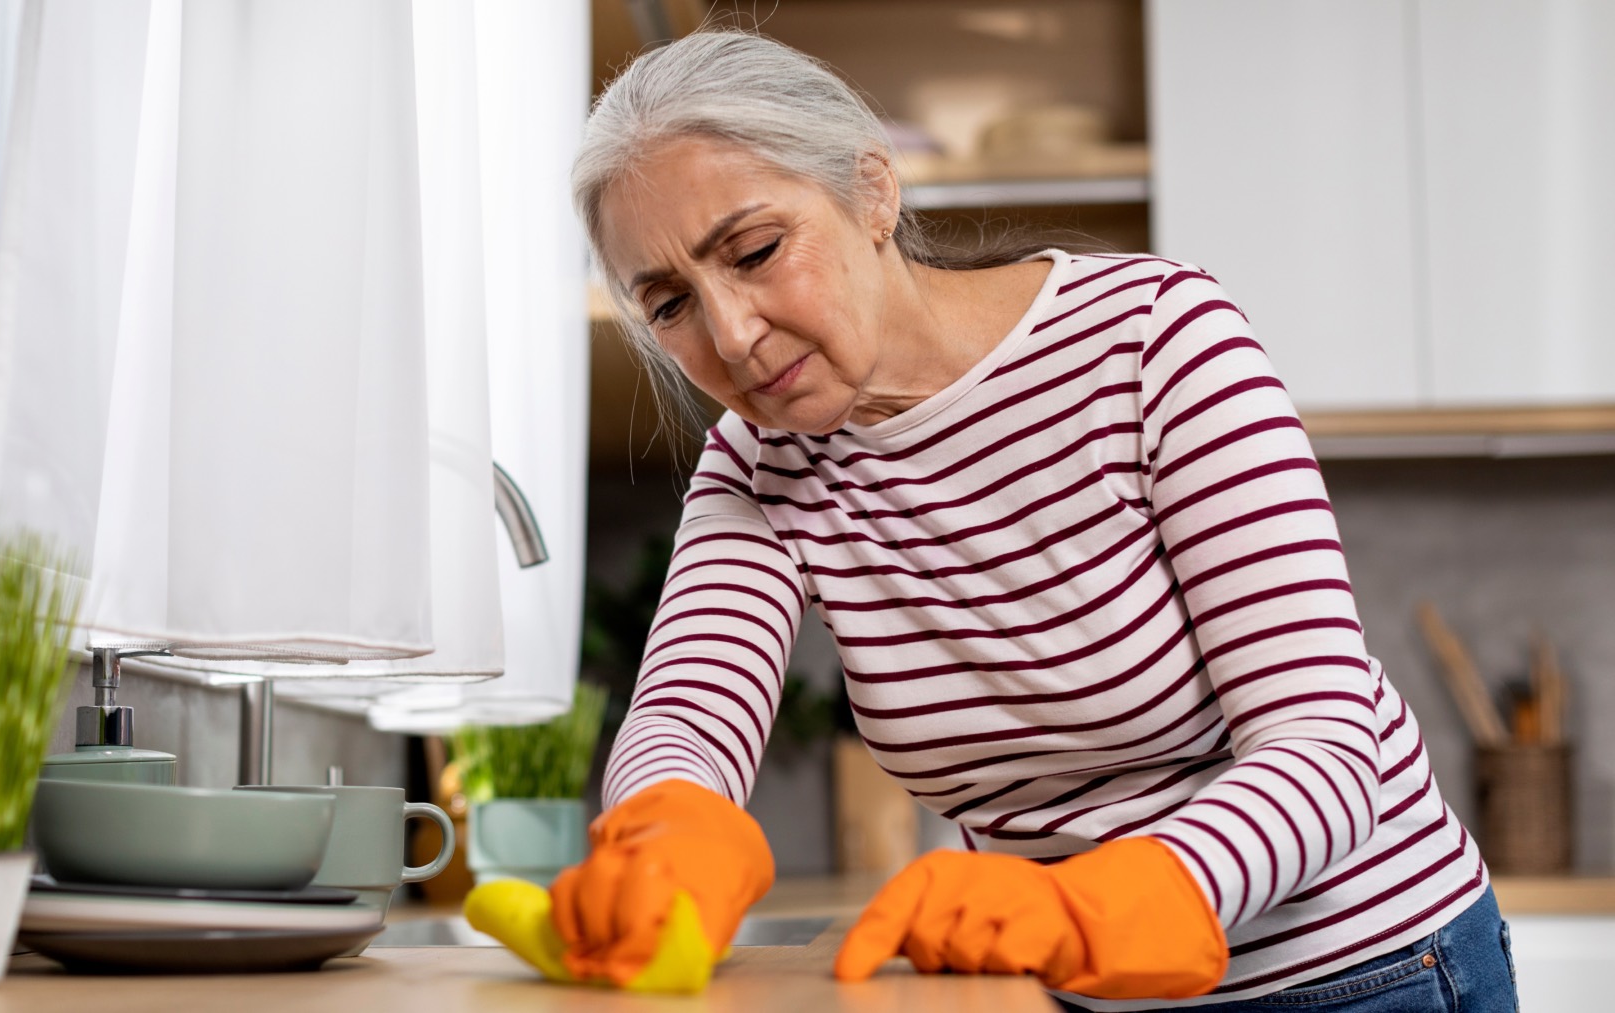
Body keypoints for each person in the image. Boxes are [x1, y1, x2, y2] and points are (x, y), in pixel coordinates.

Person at [550, 30, 1518, 1011]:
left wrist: (1135, 893)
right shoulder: (759, 465)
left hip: (1363, 967)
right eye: (669, 304)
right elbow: (685, 714)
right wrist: (665, 823)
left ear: (873, 191)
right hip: (1073, 989)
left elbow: (1323, 738)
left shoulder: (1155, 345)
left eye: (755, 251)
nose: (729, 332)